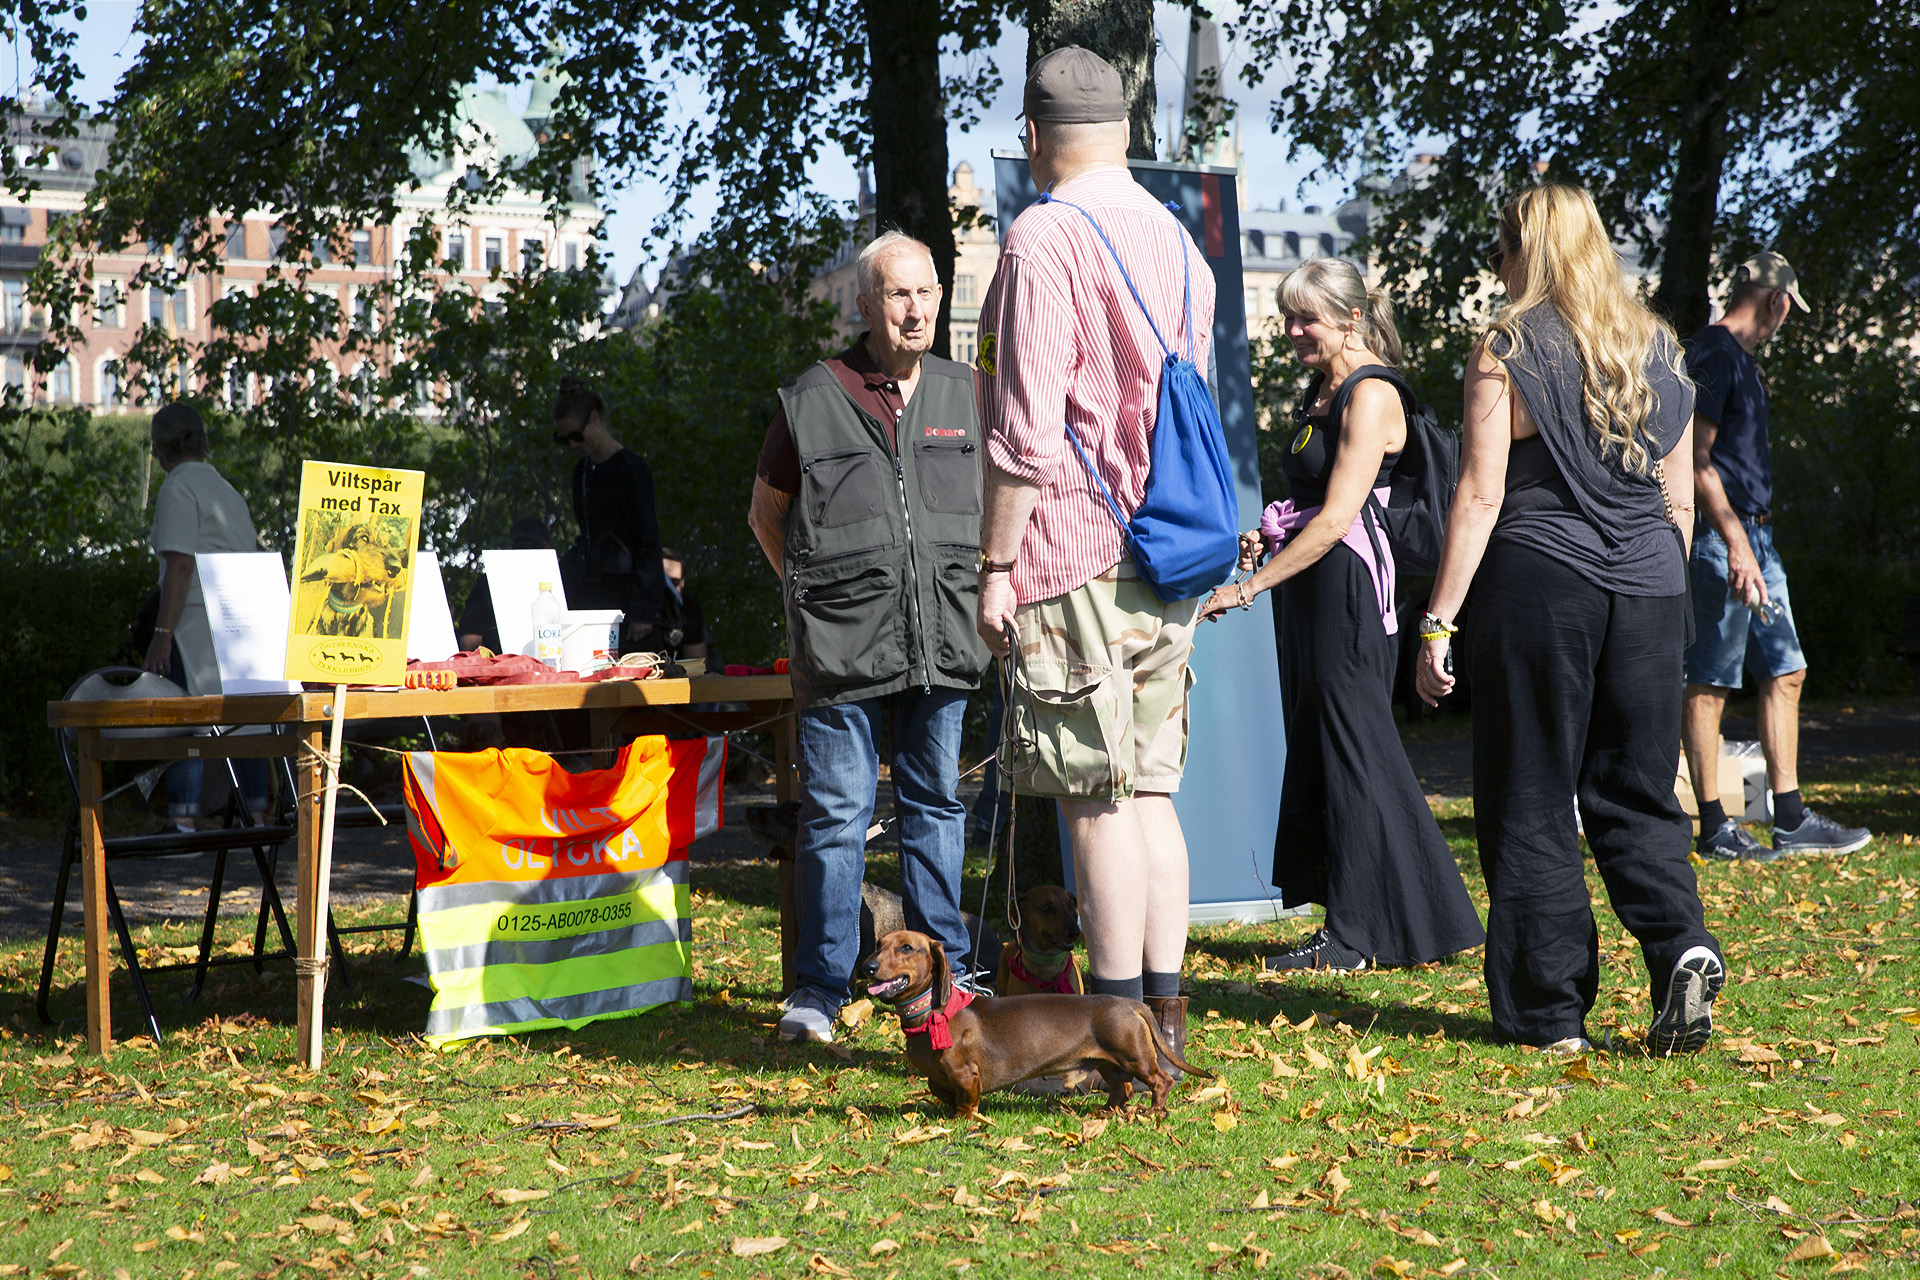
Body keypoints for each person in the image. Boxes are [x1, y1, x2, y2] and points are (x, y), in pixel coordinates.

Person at [1418, 184, 1723, 1056]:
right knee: (1637, 789)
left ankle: (1549, 1015)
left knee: (1531, 790)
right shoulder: (1657, 347)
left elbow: (1480, 495)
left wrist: (1438, 622)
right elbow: (1679, 504)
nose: (1495, 265)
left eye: (1501, 249)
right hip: (1652, 586)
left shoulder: (1507, 345)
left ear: (1529, 251)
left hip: (1543, 582)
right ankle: (1680, 944)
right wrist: (1664, 598)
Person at [972, 46, 1212, 1063]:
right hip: (1170, 549)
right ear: (1125, 130)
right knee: (1150, 793)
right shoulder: (1180, 240)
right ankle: (1165, 1027)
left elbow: (1025, 434)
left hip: (1075, 551)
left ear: (1033, 137)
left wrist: (996, 567)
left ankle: (1112, 1042)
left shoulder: (1042, 238)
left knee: (1095, 801)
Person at [1197, 259, 1483, 973]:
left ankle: (1361, 935)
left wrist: (1247, 587)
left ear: (1351, 318)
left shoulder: (1371, 393)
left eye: (1308, 319)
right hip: (1314, 589)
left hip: (1349, 593)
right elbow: (1311, 509)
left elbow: (1336, 520)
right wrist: (1268, 537)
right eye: (1289, 318)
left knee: (1357, 755)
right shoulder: (1321, 389)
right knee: (1333, 753)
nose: (1294, 331)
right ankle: (1391, 921)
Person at [748, 230, 992, 1043]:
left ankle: (948, 979)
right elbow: (766, 517)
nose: (915, 309)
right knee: (835, 817)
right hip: (841, 652)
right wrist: (817, 602)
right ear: (864, 305)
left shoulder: (969, 393)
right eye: (897, 294)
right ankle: (819, 990)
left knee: (936, 810)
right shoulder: (813, 399)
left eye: (926, 292)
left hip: (944, 639)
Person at [1681, 253, 1870, 860]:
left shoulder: (1740, 361)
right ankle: (1714, 827)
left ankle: (1789, 818)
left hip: (1757, 542)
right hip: (1723, 540)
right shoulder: (1713, 353)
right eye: (1789, 310)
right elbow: (1693, 459)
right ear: (1777, 302)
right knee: (1709, 680)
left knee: (1787, 671)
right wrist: (1735, 542)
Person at [140, 401, 269, 830]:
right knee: (245, 721)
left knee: (184, 719)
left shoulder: (177, 488)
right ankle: (257, 813)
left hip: (193, 622)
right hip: (240, 621)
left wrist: (162, 633)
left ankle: (183, 818)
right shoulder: (225, 489)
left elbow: (179, 566)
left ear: (159, 447)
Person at [553, 378, 666, 651]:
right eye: (564, 439)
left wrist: (643, 610)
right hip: (589, 590)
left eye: (576, 435)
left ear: (594, 419)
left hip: (625, 592)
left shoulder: (631, 468)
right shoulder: (582, 471)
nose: (573, 445)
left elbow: (648, 542)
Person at [458, 515, 553, 653]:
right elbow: (467, 642)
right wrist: (495, 639)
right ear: (510, 547)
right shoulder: (488, 583)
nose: (525, 553)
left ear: (548, 548)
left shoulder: (560, 581)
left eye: (533, 547)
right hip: (500, 663)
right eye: (519, 547)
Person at [657, 547, 710, 664]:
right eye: (662, 581)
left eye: (674, 583)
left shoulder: (689, 608)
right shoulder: (635, 608)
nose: (668, 589)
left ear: (683, 582)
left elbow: (696, 662)